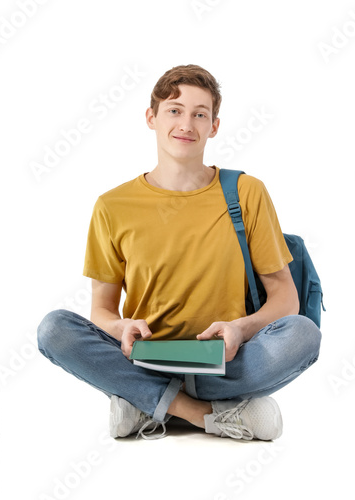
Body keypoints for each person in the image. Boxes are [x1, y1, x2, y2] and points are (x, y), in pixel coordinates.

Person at [37, 64, 321, 441]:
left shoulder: (247, 192)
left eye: (199, 114)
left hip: (226, 362)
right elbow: (101, 311)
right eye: (174, 110)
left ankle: (145, 403)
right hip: (144, 360)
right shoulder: (112, 206)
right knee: (54, 330)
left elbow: (285, 298)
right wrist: (121, 328)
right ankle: (206, 414)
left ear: (213, 126)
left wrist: (239, 328)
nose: (186, 124)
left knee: (303, 333)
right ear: (151, 118)